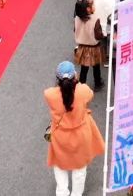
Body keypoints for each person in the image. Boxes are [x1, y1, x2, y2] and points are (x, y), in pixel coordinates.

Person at [45, 60, 106, 196]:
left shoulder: (50, 95)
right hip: (81, 135)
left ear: (57, 79)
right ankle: (76, 193)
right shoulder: (83, 91)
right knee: (80, 168)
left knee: (59, 165)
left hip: (60, 137)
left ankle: (62, 192)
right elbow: (90, 95)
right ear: (75, 76)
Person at [73, 0, 105, 89]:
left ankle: (81, 85)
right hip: (94, 47)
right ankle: (98, 83)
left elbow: (75, 30)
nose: (94, 6)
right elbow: (98, 35)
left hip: (82, 47)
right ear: (88, 9)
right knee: (96, 67)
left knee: (84, 68)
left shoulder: (77, 18)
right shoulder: (95, 19)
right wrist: (103, 35)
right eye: (93, 5)